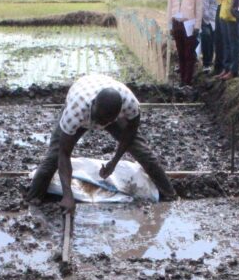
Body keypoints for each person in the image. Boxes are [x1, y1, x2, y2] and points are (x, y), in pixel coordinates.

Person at [24, 74, 177, 215]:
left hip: (107, 110)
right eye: (101, 120)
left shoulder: (130, 104)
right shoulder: (75, 112)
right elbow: (64, 154)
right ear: (94, 105)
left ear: (118, 113)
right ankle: (34, 198)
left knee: (142, 151)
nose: (102, 125)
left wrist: (114, 162)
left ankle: (169, 194)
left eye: (107, 121)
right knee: (53, 156)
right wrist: (67, 195)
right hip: (83, 104)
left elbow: (130, 134)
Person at [168, 0, 204, 86]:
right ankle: (182, 79)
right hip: (176, 24)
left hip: (189, 24)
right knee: (181, 53)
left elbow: (199, 8)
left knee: (189, 54)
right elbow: (169, 8)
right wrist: (170, 27)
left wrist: (197, 26)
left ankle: (187, 81)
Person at [219, 0, 239, 78]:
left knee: (234, 45)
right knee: (227, 44)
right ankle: (226, 68)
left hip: (233, 21)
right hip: (225, 19)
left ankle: (233, 69)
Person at [200, 0, 218, 72]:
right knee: (206, 36)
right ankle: (207, 64)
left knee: (216, 40)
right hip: (203, 20)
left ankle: (217, 64)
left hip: (215, 20)